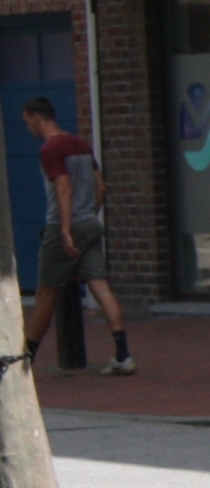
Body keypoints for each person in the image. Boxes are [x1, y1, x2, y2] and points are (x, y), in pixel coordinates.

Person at [19, 97, 133, 375]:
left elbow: (64, 189)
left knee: (46, 291)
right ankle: (123, 354)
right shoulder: (81, 145)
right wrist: (90, 216)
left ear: (37, 117)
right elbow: (101, 186)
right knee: (100, 285)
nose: (27, 127)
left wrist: (67, 230)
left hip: (63, 226)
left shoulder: (51, 149)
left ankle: (23, 363)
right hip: (89, 223)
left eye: (27, 121)